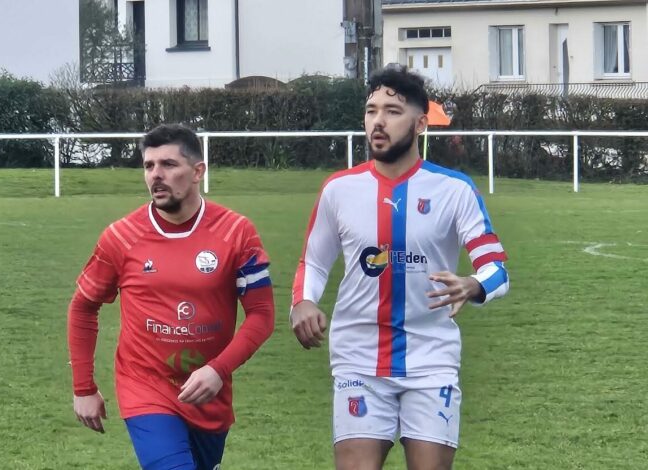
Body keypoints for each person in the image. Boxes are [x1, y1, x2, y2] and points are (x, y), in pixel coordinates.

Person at [290, 66, 510, 470]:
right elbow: (314, 261)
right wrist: (303, 302)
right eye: (371, 110)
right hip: (358, 357)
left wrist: (472, 284)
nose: (378, 121)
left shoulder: (455, 190)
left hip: (431, 358)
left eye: (392, 111)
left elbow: (496, 266)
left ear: (421, 123)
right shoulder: (339, 189)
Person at [67, 124, 275, 470]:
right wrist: (83, 387)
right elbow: (83, 307)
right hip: (145, 386)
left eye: (168, 165)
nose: (156, 176)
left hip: (209, 392)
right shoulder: (121, 236)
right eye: (149, 166)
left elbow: (262, 315)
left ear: (198, 172)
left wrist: (217, 371)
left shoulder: (236, 232)